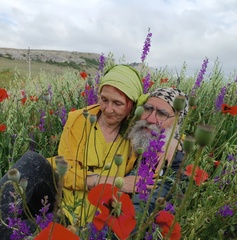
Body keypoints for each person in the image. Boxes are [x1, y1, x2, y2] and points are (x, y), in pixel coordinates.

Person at [0, 64, 144, 238]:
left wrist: (177, 143)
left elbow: (166, 123)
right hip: (60, 199)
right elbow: (65, 173)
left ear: (132, 106)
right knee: (33, 160)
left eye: (118, 103)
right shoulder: (79, 120)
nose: (108, 109)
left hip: (87, 221)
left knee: (16, 230)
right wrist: (105, 181)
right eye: (104, 99)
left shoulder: (136, 136)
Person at [125, 87, 189, 214]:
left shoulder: (171, 162)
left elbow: (140, 213)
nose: (150, 119)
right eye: (147, 108)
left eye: (162, 114)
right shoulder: (134, 138)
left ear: (176, 122)